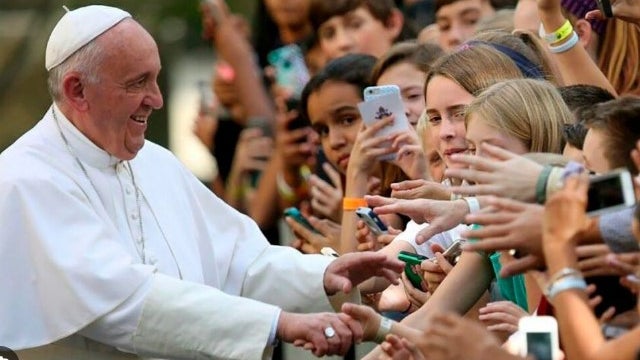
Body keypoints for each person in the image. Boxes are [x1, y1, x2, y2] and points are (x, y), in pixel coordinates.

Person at [0, 5, 406, 359]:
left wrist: (324, 273)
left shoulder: (155, 162)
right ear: (77, 90)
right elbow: (120, 302)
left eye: (155, 79)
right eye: (137, 82)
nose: (156, 99)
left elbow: (242, 262)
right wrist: (277, 324)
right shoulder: (26, 179)